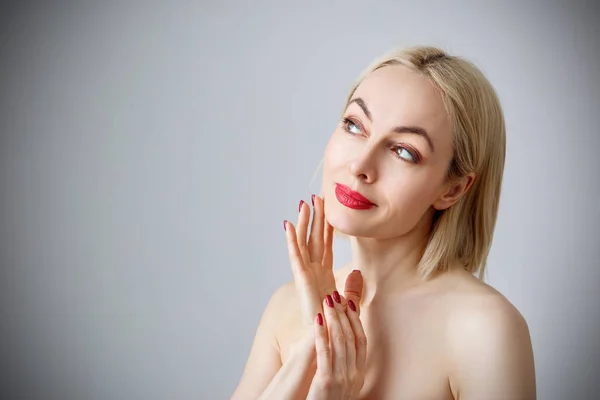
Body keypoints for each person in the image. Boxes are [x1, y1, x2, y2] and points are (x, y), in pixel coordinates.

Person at [231, 45, 536, 400]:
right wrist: (311, 356)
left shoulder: (484, 330)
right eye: (354, 125)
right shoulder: (286, 307)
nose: (361, 164)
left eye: (404, 151)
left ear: (452, 189)